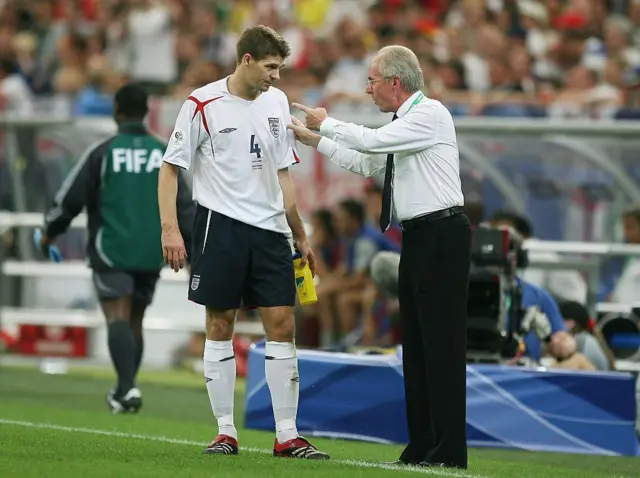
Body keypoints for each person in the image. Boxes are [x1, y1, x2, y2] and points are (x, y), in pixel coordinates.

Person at [288, 45, 471, 468]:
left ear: (395, 82)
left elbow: (370, 142)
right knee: (419, 346)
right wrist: (315, 139)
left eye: (371, 80)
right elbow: (368, 164)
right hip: (420, 238)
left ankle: (449, 450)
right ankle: (424, 444)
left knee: (442, 346)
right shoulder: (404, 124)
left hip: (444, 235)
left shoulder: (431, 114)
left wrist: (327, 122)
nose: (367, 89)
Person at [158, 25, 329, 460]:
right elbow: (170, 168)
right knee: (220, 325)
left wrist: (300, 232)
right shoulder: (201, 103)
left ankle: (287, 435)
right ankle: (225, 432)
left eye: (281, 68)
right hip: (221, 226)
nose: (277, 77)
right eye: (271, 67)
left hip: (271, 231)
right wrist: (170, 229)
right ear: (247, 60)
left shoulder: (276, 103)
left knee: (283, 325)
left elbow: (284, 173)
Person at [39, 83, 195, 413]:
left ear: (117, 112)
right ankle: (127, 391)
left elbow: (70, 200)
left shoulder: (104, 151)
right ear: (146, 112)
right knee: (135, 319)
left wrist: (49, 233)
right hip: (154, 251)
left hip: (112, 247)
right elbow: (186, 207)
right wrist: (194, 253)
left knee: (117, 316)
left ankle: (127, 388)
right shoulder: (164, 152)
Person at [490, 210, 588, 304]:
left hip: (571, 308)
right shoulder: (504, 254)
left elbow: (529, 292)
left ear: (521, 235)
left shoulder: (533, 250)